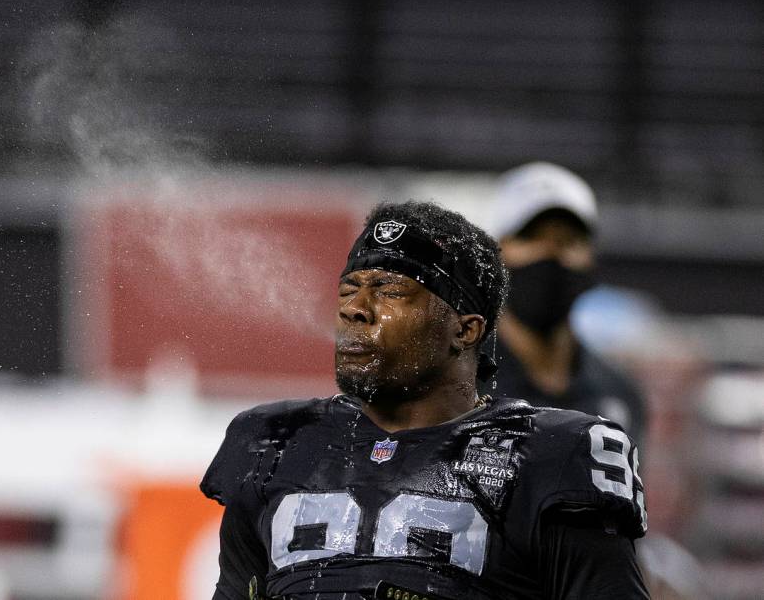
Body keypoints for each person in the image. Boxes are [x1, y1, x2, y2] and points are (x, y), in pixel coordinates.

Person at [201, 200, 649, 599]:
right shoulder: (273, 443)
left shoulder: (551, 454)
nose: (355, 308)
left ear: (465, 328)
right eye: (348, 289)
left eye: (391, 290)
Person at [487, 162, 647, 446]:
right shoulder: (453, 385)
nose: (550, 254)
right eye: (530, 237)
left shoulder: (618, 393)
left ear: (591, 258)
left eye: (568, 240)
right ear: (496, 252)